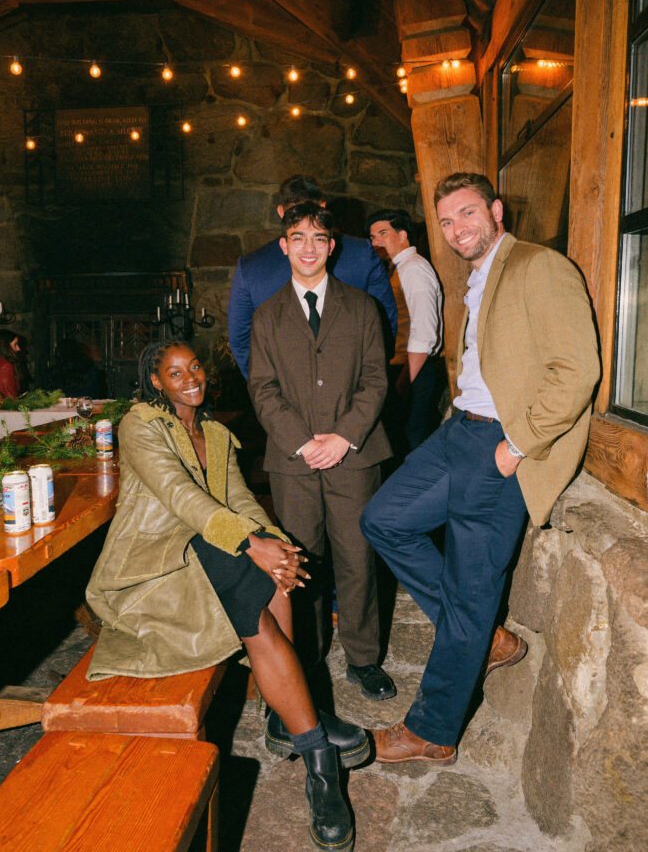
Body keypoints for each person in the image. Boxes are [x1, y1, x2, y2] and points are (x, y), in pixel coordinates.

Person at [86, 339, 366, 852]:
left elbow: (237, 497)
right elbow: (178, 495)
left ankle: (290, 718)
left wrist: (270, 540)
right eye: (175, 372)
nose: (190, 377)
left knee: (280, 562)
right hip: (155, 558)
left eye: (195, 367)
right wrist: (248, 542)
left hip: (206, 544)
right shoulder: (140, 424)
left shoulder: (214, 432)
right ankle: (318, 760)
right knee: (251, 578)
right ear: (155, 381)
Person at [361, 172, 600, 764]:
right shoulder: (477, 275)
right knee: (384, 519)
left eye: (467, 214)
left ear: (496, 210)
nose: (457, 229)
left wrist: (515, 446)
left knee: (471, 593)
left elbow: (578, 369)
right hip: (458, 433)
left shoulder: (540, 266)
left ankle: (433, 730)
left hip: (500, 446)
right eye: (445, 221)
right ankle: (484, 638)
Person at [248, 201, 396, 702]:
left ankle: (363, 658)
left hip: (354, 455)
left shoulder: (361, 308)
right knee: (298, 561)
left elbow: (377, 378)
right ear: (284, 246)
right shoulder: (267, 316)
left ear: (331, 247)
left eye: (318, 238)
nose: (308, 248)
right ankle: (305, 655)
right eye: (298, 238)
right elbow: (263, 389)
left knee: (357, 557)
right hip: (292, 462)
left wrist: (343, 435)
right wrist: (303, 442)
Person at [228, 174, 397, 378]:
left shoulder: (251, 267)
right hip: (350, 389)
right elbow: (385, 327)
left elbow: (242, 342)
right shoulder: (362, 253)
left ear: (280, 211)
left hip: (288, 394)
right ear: (323, 207)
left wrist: (266, 393)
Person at [367, 208, 445, 451]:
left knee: (414, 440)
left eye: (382, 233)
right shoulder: (398, 268)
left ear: (403, 235)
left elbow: (424, 330)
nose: (376, 241)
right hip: (405, 368)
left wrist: (405, 380)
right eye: (372, 237)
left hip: (414, 369)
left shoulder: (412, 267)